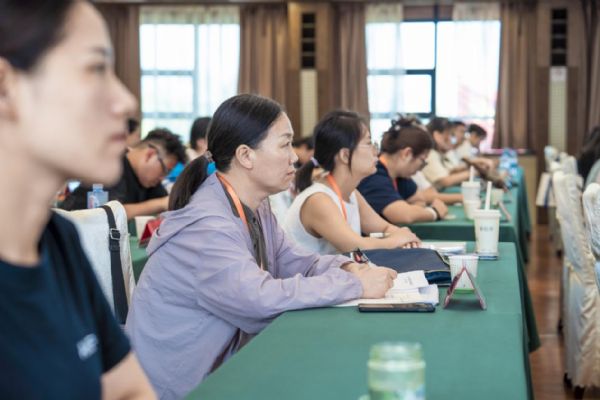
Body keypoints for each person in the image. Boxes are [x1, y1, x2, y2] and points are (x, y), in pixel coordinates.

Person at [126, 94, 396, 399]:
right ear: (245, 156)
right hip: (181, 388)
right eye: (285, 144)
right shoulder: (207, 226)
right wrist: (354, 284)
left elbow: (297, 262)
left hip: (223, 368)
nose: (295, 157)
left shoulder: (256, 206)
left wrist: (348, 267)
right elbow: (259, 301)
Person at [0, 1, 155, 398]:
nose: (126, 101)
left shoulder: (58, 239)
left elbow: (128, 389)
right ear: (5, 86)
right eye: (96, 69)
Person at [283, 111, 420, 255]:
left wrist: (402, 235)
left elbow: (384, 228)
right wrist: (397, 239)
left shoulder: (351, 193)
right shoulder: (318, 199)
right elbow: (356, 247)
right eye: (369, 143)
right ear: (345, 155)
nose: (376, 151)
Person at [61, 128, 187, 218]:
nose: (162, 178)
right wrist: (160, 204)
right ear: (150, 155)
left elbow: (166, 205)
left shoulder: (149, 181)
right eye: (165, 170)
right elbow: (109, 214)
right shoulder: (111, 165)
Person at [358, 117, 455, 224]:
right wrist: (434, 212)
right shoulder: (374, 175)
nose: (420, 169)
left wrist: (413, 210)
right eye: (422, 161)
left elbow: (419, 200)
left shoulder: (399, 176)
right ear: (407, 154)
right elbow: (404, 215)